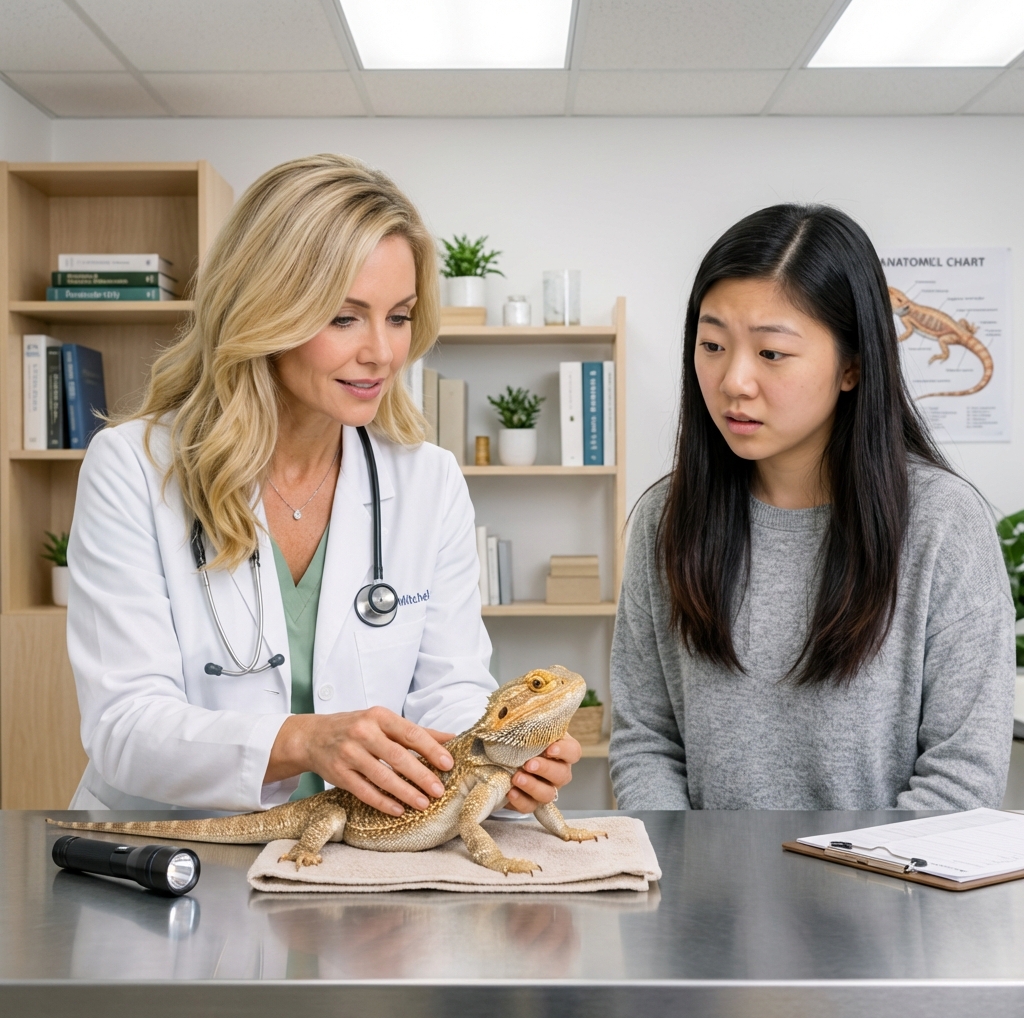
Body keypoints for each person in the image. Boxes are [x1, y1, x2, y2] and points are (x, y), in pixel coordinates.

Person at [67, 154, 579, 813]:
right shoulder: (133, 469)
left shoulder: (429, 481)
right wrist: (305, 741)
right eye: (344, 317)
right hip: (175, 856)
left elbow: (446, 690)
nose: (382, 352)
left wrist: (499, 752)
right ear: (263, 311)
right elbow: (125, 726)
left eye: (399, 316)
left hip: (354, 856)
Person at [609, 204, 1014, 811]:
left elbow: (963, 776)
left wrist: (845, 894)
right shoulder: (667, 519)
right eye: (713, 344)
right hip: (707, 902)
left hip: (889, 899)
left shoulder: (943, 523)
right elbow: (646, 742)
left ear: (852, 366)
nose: (732, 381)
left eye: (771, 354)